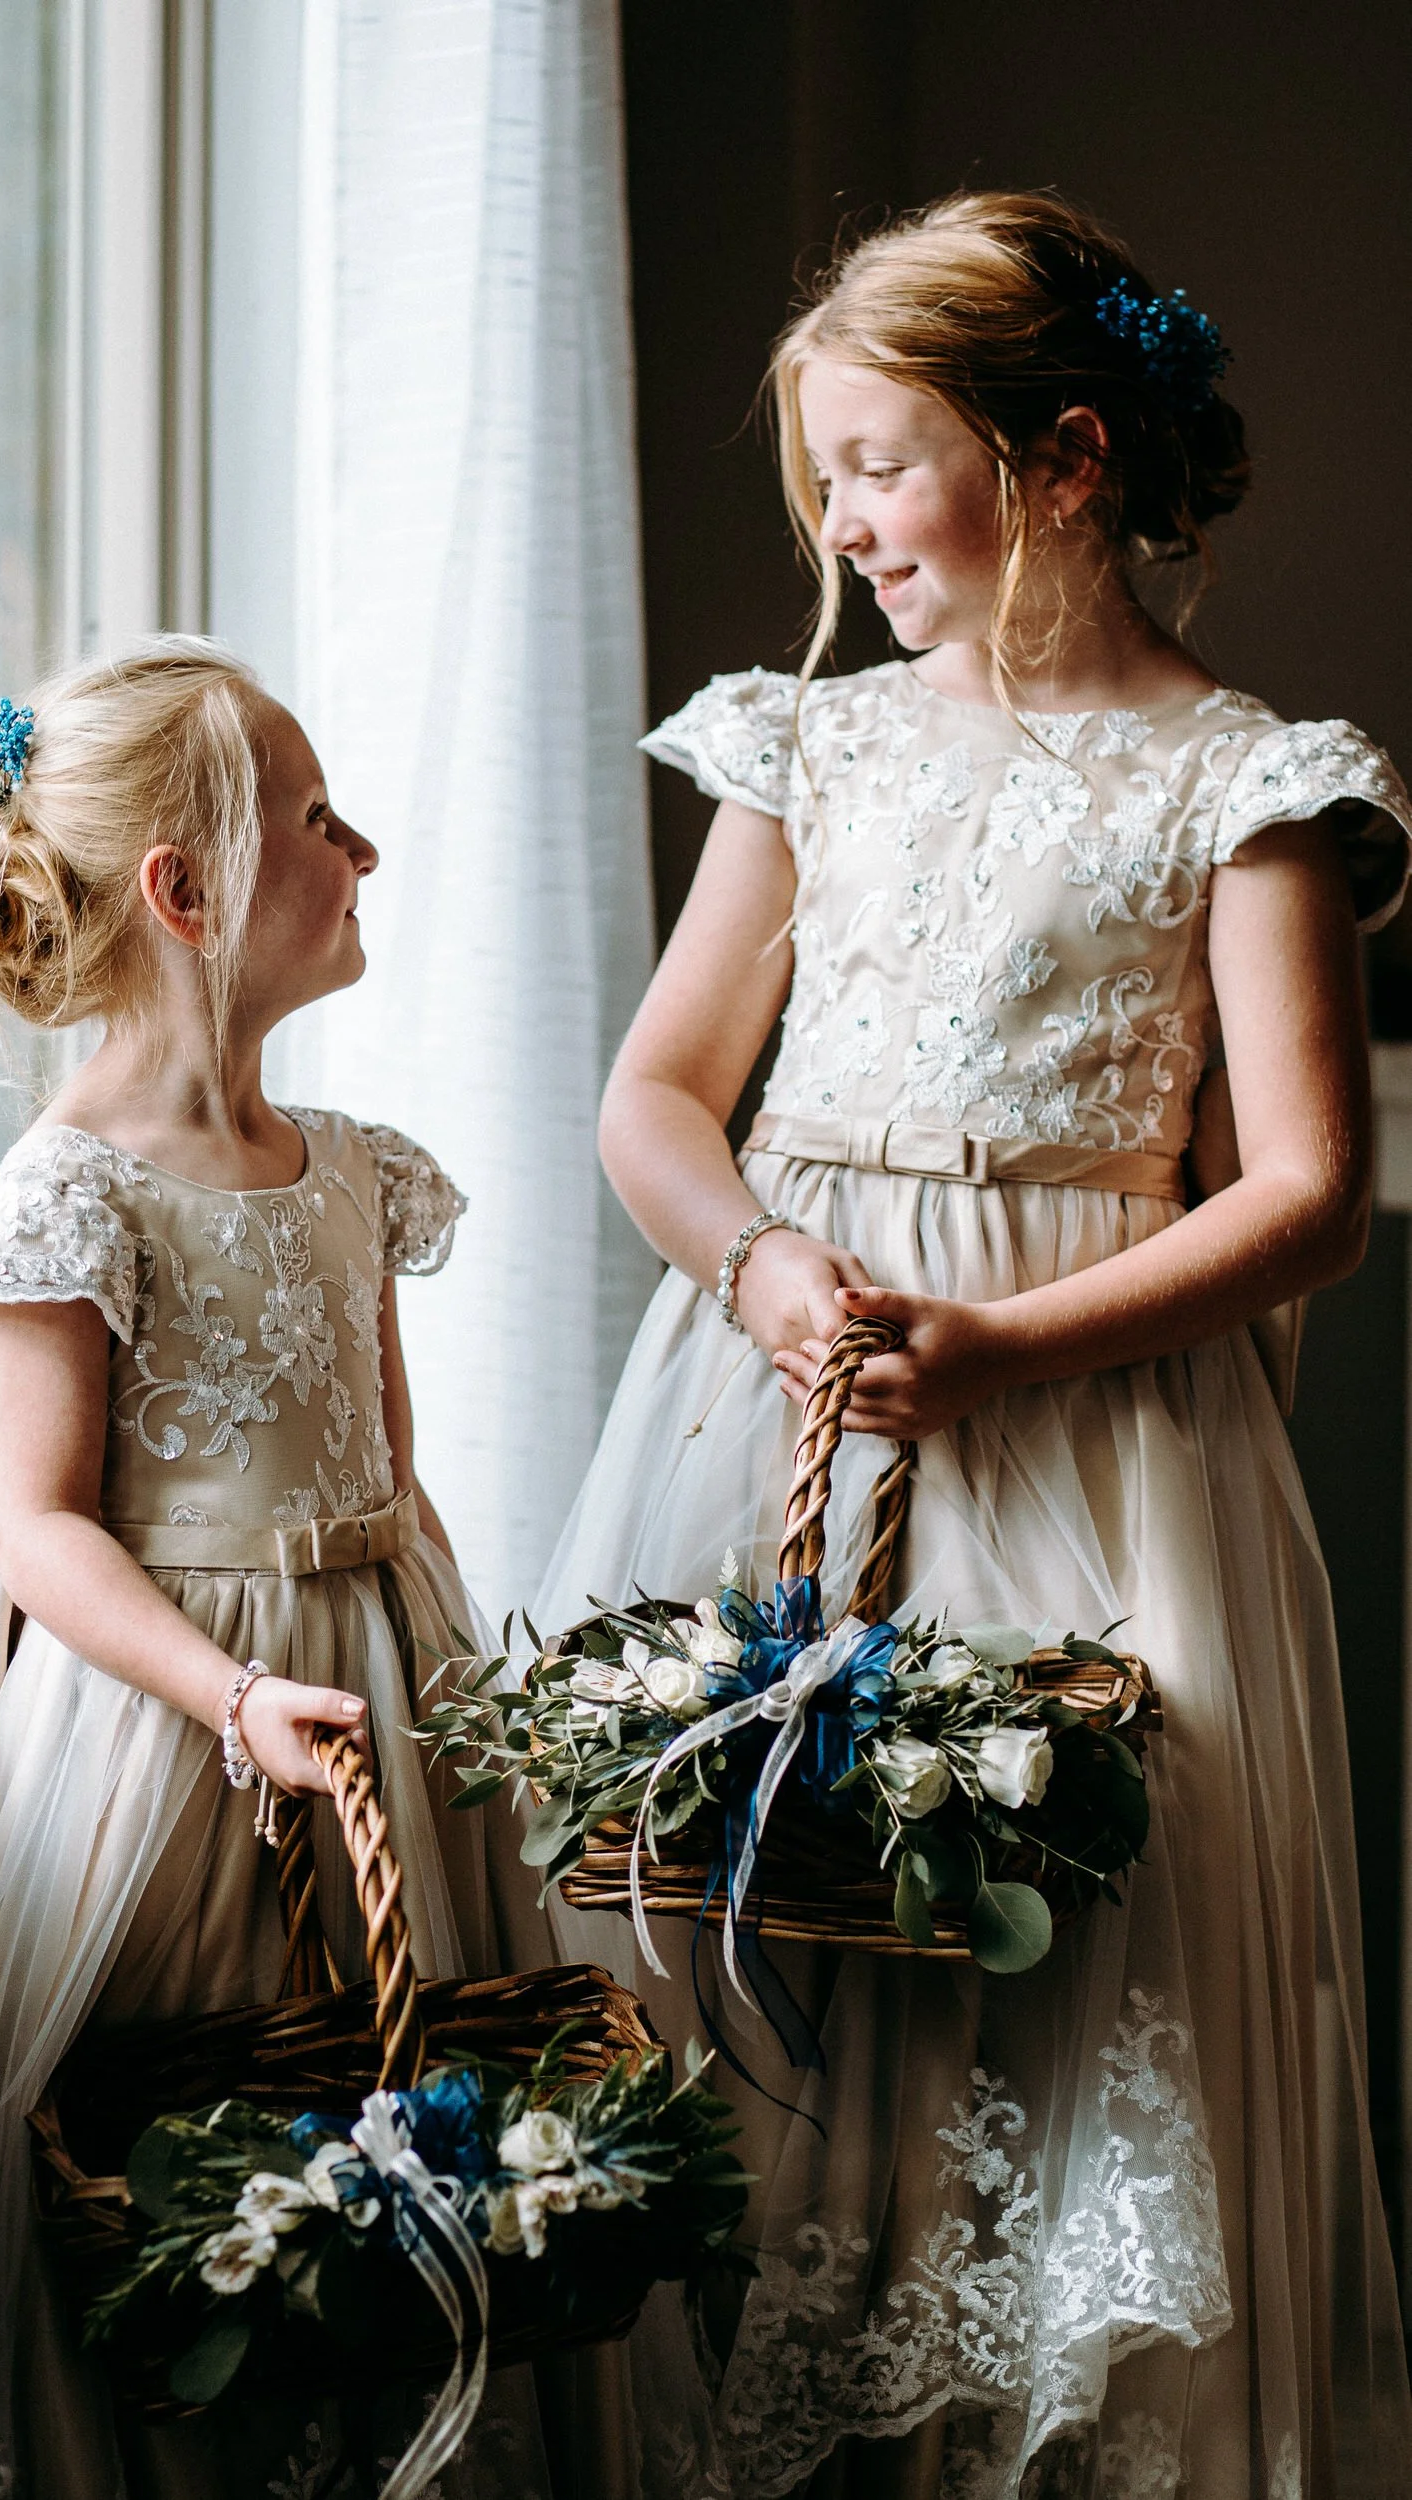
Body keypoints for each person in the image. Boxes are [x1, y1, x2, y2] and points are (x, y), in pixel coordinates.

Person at [536, 194, 1412, 2498]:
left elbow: (1303, 1188)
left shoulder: (1248, 782)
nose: (837, 521)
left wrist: (1004, 1339)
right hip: (789, 1395)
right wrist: (759, 1267)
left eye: (878, 465)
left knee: (1067, 1948)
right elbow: (652, 1095)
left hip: (1084, 1427)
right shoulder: (807, 753)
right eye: (819, 475)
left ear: (1059, 462)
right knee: (749, 1898)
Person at [0, 640, 549, 2499]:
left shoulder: (350, 1170)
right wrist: (236, 1699)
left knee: (408, 2098)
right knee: (193, 2150)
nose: (365, 850)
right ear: (188, 893)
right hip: (183, 1726)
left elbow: (395, 1489)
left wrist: (466, 1694)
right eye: (318, 820)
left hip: (382, 1698)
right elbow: (41, 1523)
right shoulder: (64, 1194)